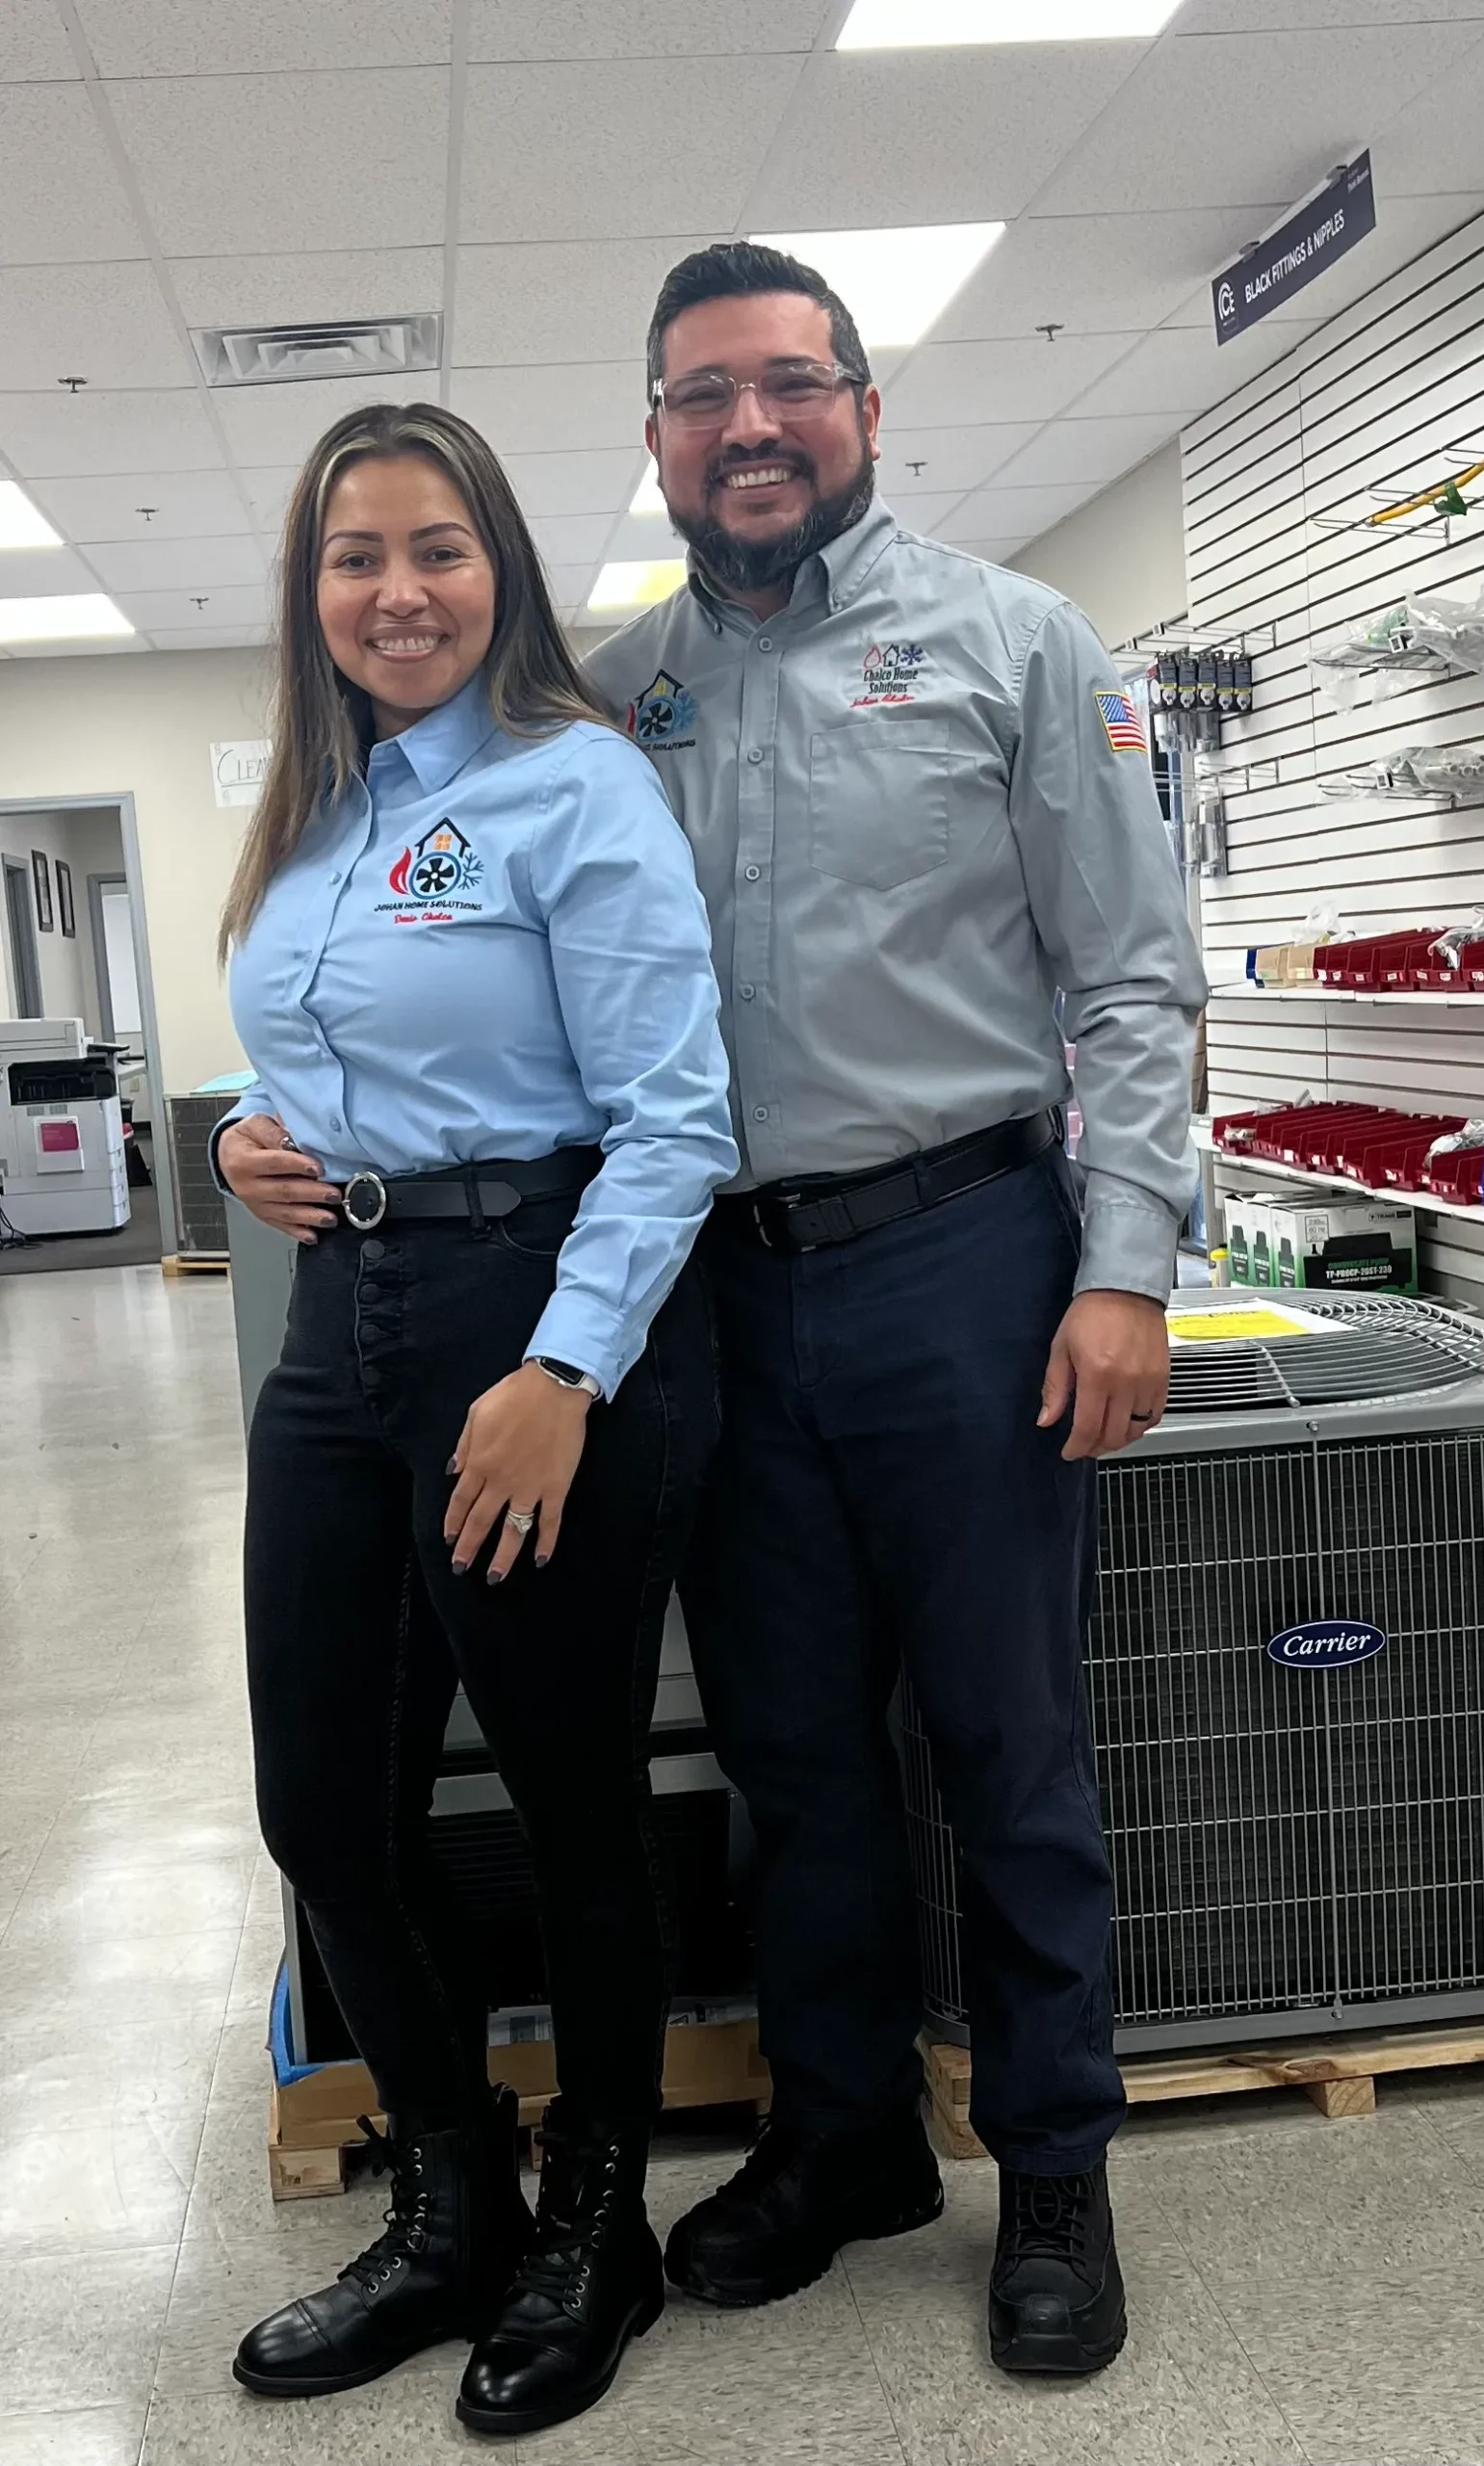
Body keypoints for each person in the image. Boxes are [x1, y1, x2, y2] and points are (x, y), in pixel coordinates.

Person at [585, 243, 1207, 2377]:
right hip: (724, 1300)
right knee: (790, 1757)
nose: (748, 426)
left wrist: (1122, 1266)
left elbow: (1128, 976)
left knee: (1005, 1744)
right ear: (656, 437)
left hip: (969, 1265)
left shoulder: (1015, 643)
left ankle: (1052, 2165)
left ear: (861, 406)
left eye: (789, 383)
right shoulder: (617, 698)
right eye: (702, 395)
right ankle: (842, 2135)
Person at [214, 401, 738, 2438]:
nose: (397, 590)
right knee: (324, 1807)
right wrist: (257, 1140)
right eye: (355, 556)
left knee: (565, 1797)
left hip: (535, 1314)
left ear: (500, 567)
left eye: (436, 547)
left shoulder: (569, 785)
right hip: (340, 1325)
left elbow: (674, 1118)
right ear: (312, 591)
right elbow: (324, 1062)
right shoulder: (318, 810)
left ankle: (596, 2221)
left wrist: (562, 1372)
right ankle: (452, 2205)